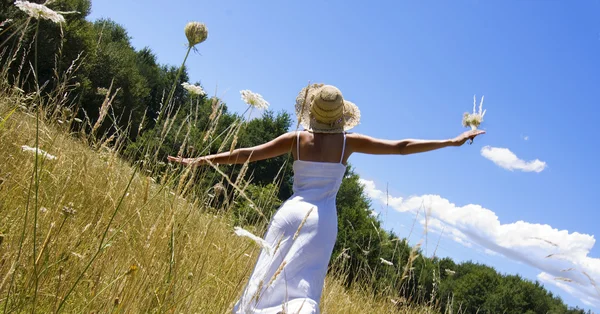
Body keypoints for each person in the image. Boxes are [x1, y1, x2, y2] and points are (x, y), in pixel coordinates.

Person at [168, 83, 485, 314]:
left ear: (312, 113)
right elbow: (401, 146)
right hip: (320, 221)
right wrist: (451, 141)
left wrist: (199, 160)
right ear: (340, 116)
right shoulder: (348, 143)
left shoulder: (296, 139)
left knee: (265, 278)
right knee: (303, 289)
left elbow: (244, 155)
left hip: (289, 214)